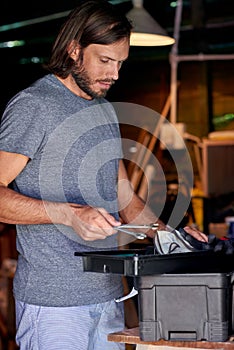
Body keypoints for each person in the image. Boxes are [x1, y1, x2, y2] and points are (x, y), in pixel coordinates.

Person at [0, 1, 208, 349]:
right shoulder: (33, 105)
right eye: (105, 61)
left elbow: (125, 196)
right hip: (53, 306)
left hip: (111, 297)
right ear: (73, 50)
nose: (114, 74)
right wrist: (68, 213)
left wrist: (172, 239)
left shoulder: (104, 111)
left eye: (120, 63)